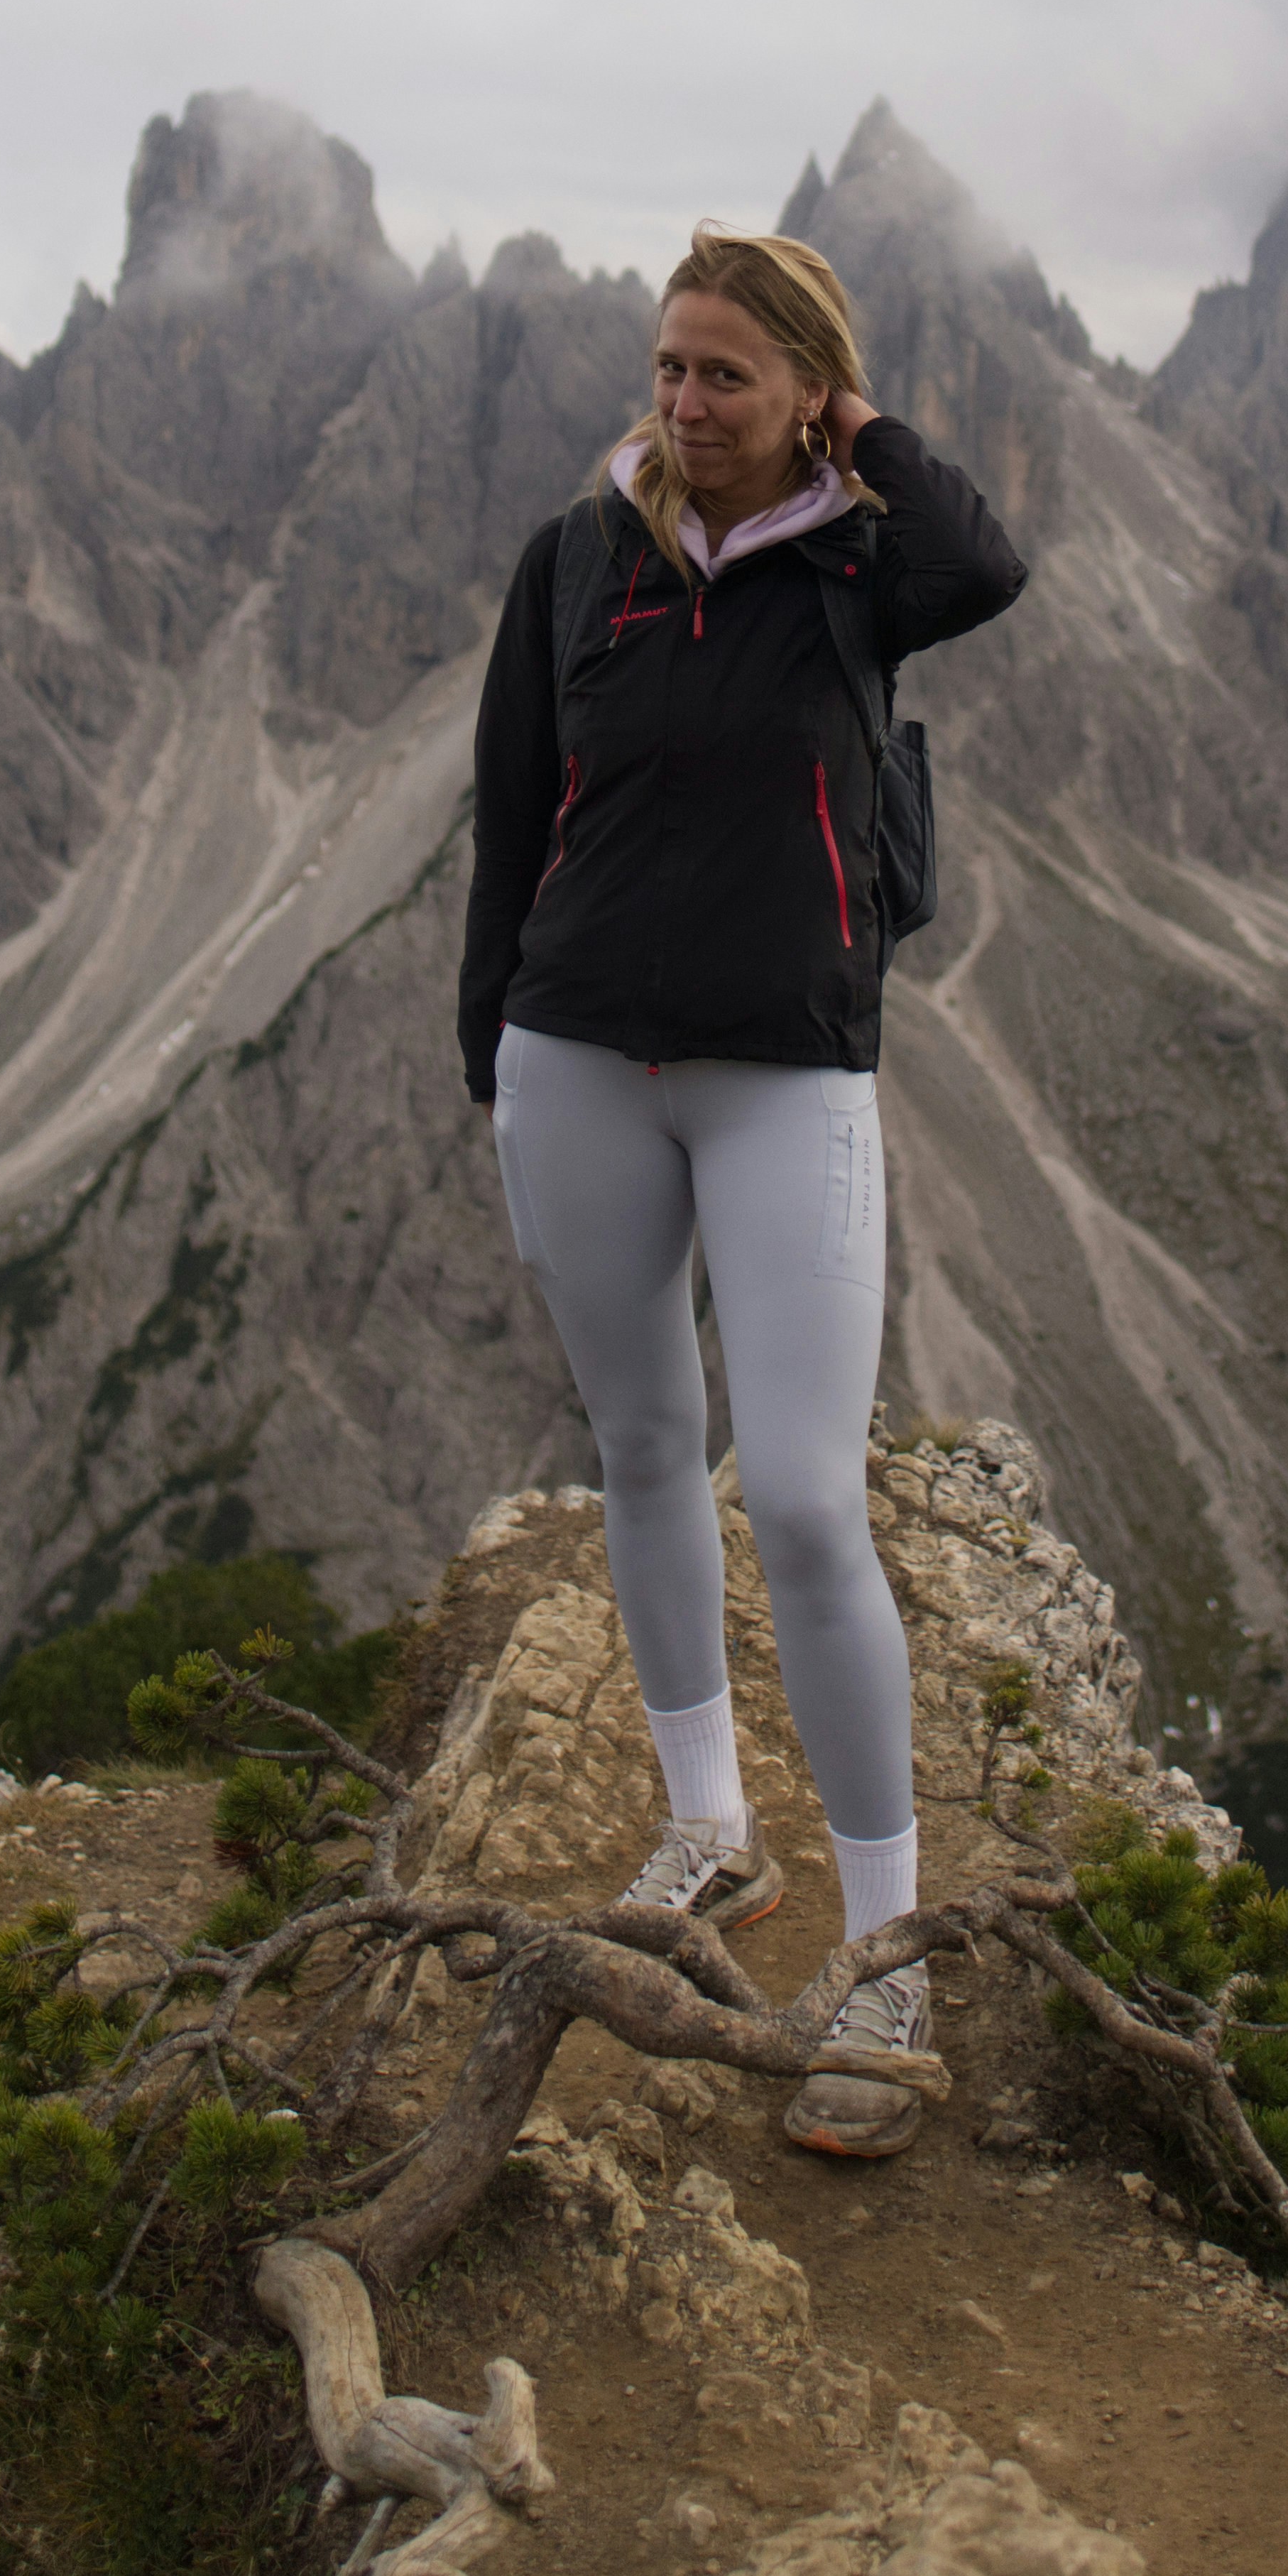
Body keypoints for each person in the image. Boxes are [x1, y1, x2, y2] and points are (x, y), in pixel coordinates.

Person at [457, 224, 1026, 2159]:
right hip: (578, 1058)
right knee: (640, 1445)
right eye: (670, 369)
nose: (685, 406)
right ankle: (707, 1829)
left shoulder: (870, 567)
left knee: (797, 1493)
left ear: (803, 393)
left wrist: (864, 434)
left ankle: (888, 1952)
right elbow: (509, 820)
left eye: (728, 376)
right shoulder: (576, 561)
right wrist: (496, 1064)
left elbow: (991, 565)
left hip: (788, 1075)